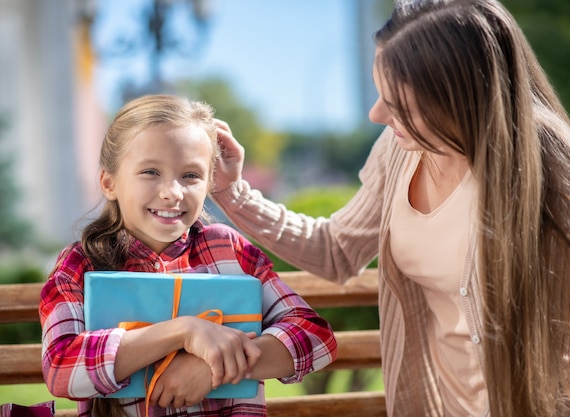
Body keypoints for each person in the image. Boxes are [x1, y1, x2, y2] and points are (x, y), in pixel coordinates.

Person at [209, 1, 570, 416]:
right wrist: (233, 193)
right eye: (379, 92)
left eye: (398, 103)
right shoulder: (401, 150)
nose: (376, 114)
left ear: (457, 98)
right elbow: (335, 250)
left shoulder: (548, 163)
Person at [38, 94, 337, 417]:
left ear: (209, 182)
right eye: (150, 172)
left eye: (191, 175)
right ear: (109, 183)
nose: (173, 192)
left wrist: (211, 368)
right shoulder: (80, 263)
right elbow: (60, 369)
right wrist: (185, 331)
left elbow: (316, 337)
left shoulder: (229, 250)